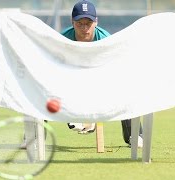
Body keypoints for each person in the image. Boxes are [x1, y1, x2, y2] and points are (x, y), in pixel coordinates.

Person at [61, 0, 143, 147]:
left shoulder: (106, 39)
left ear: (96, 22)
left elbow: (116, 72)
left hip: (102, 81)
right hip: (71, 81)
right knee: (41, 90)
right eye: (80, 23)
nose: (84, 28)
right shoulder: (62, 40)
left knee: (127, 90)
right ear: (72, 22)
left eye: (88, 23)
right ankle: (33, 137)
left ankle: (135, 135)